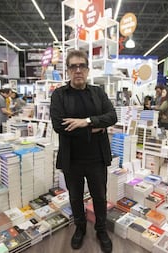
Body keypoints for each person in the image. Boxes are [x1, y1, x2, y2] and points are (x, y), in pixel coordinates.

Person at [50, 50, 116, 253]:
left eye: (81, 66)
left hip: (97, 157)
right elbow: (59, 125)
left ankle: (101, 229)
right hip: (72, 158)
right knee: (75, 197)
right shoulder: (59, 95)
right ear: (68, 70)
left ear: (87, 69)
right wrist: (96, 126)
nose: (78, 70)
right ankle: (80, 228)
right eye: (73, 66)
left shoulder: (98, 92)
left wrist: (84, 122)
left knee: (100, 196)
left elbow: (112, 116)